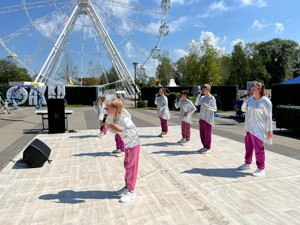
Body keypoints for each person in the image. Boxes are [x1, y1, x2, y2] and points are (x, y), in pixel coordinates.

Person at [105, 98, 141, 203]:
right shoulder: (116, 119)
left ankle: (131, 192)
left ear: (114, 109)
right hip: (128, 145)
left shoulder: (124, 119)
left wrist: (119, 129)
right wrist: (110, 127)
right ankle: (127, 186)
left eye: (108, 108)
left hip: (134, 145)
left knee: (131, 168)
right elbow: (116, 132)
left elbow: (133, 131)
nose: (106, 110)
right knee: (127, 165)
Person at [237, 82, 273, 177]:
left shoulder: (265, 101)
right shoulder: (250, 100)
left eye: (254, 88)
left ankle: (261, 168)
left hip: (259, 129)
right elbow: (243, 109)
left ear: (260, 90)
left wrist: (269, 130)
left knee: (259, 149)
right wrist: (245, 101)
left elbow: (269, 117)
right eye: (252, 88)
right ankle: (247, 163)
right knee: (248, 147)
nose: (252, 90)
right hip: (249, 128)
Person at [195, 84, 217, 154]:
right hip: (202, 118)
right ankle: (204, 146)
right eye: (202, 89)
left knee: (207, 133)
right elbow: (196, 104)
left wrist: (208, 106)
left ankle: (208, 147)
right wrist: (199, 95)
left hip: (208, 119)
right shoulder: (202, 97)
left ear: (208, 89)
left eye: (203, 89)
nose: (202, 90)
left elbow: (215, 108)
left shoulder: (212, 98)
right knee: (202, 133)